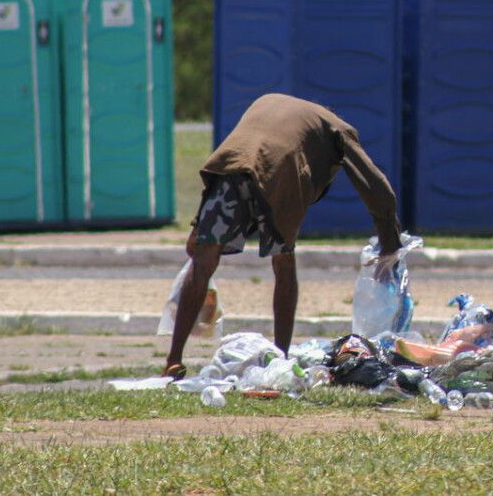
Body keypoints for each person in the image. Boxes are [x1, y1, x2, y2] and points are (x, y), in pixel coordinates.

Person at [163, 93, 401, 379]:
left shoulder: (268, 99)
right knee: (283, 264)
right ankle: (281, 358)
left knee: (203, 260)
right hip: (281, 175)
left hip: (229, 167)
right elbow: (375, 184)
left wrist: (198, 228)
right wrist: (390, 244)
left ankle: (173, 361)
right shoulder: (336, 127)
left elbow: (246, 144)